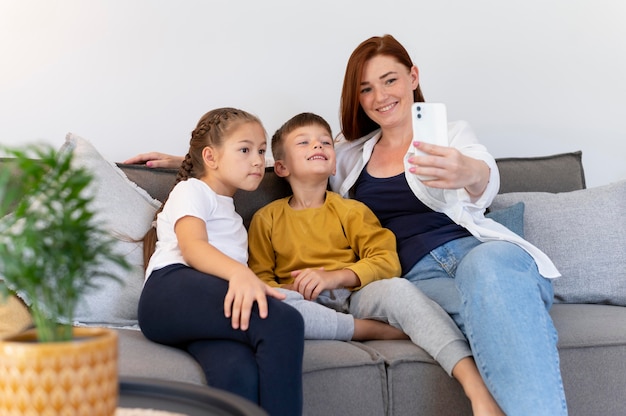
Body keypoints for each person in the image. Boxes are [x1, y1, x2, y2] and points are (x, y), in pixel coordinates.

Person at [124, 34, 568, 415]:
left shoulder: (449, 137)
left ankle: (492, 392)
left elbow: (484, 174)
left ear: (413, 77)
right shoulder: (350, 154)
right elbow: (280, 156)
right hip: (414, 279)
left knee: (491, 278)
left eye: (390, 80)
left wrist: (469, 172)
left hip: (474, 256)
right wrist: (186, 162)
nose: (380, 96)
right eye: (366, 89)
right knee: (396, 302)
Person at [248, 112, 503, 415]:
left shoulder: (352, 211)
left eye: (325, 142)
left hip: (354, 296)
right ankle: (374, 330)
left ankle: (473, 383)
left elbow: (386, 261)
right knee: (270, 309)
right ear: (281, 166)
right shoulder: (267, 219)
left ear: (334, 163)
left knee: (398, 290)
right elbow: (259, 278)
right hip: (301, 302)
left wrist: (335, 277)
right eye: (303, 142)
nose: (317, 145)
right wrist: (291, 288)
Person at [137, 107, 305, 416]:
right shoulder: (193, 190)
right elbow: (193, 247)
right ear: (210, 158)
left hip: (202, 313)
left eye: (261, 150)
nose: (257, 160)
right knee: (285, 323)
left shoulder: (236, 220)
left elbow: (254, 163)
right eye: (245, 149)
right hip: (169, 292)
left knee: (237, 371)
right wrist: (241, 274)